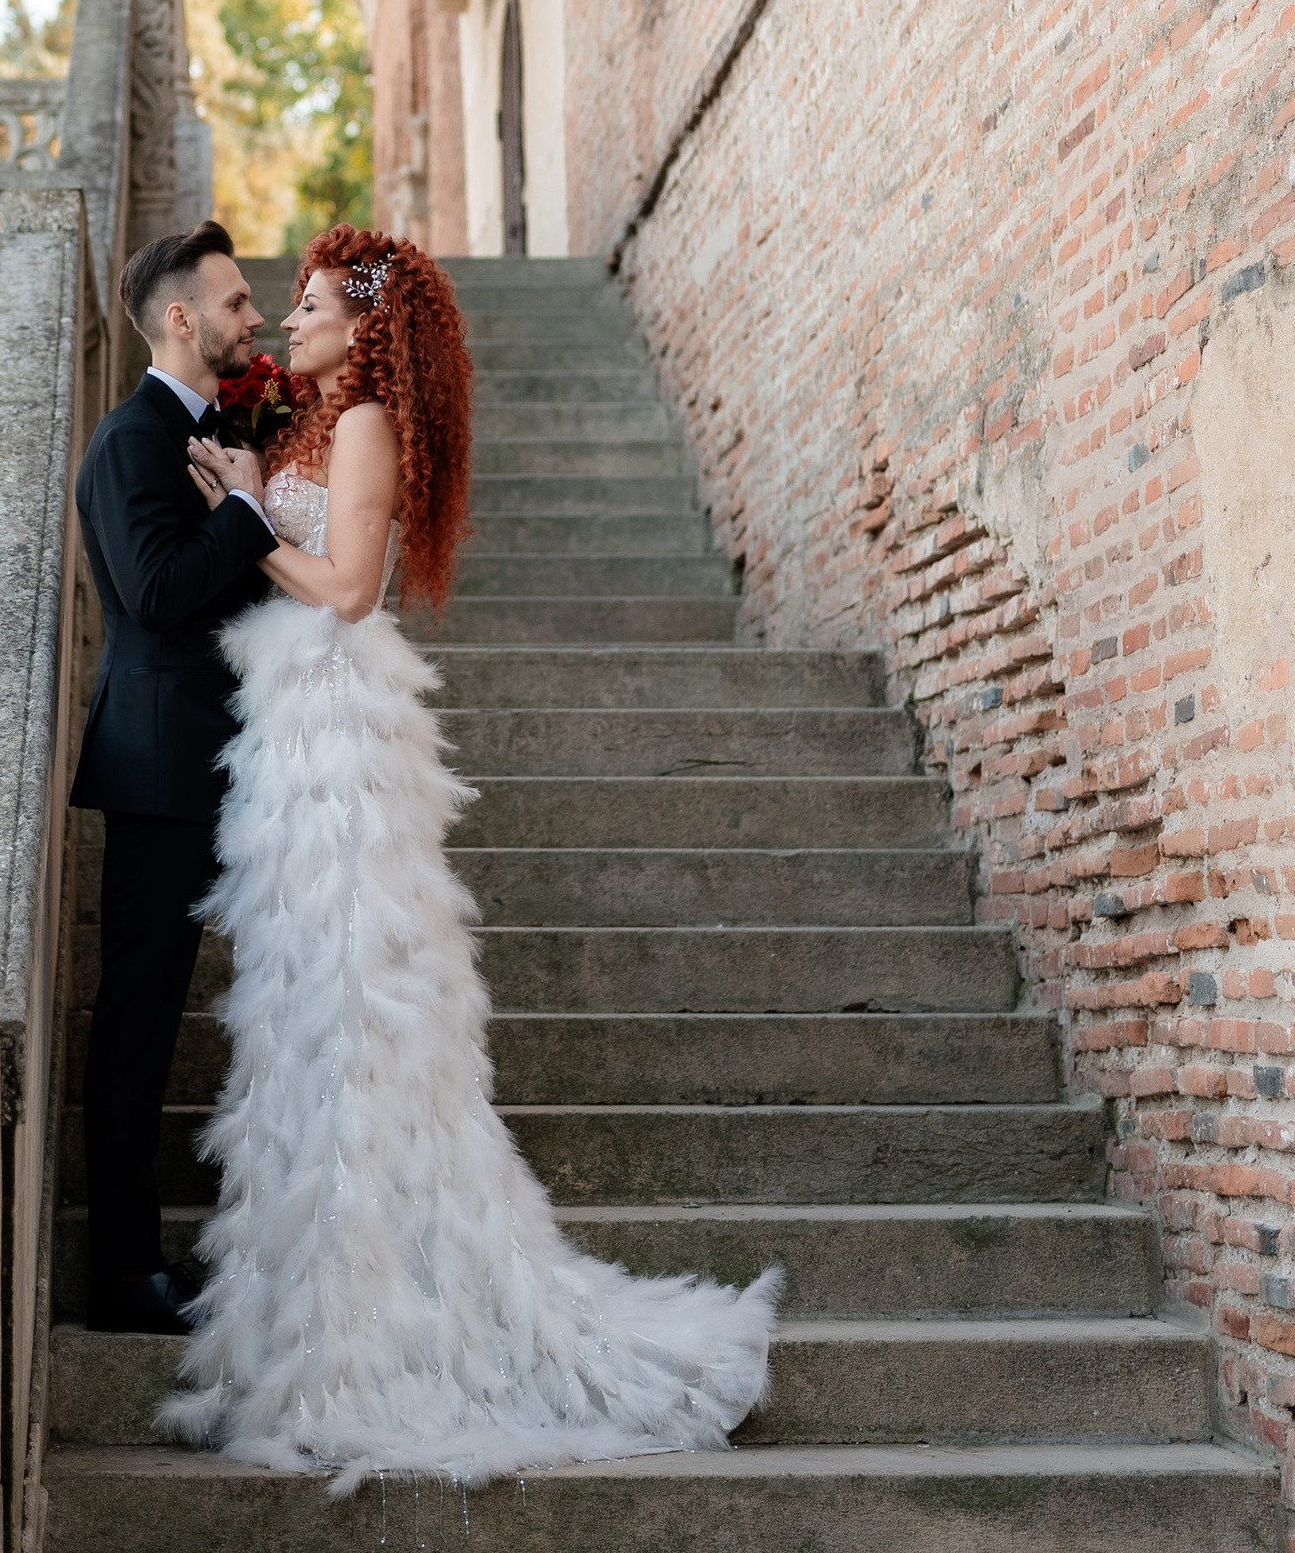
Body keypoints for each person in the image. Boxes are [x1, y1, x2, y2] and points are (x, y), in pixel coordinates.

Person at [168, 224, 781, 1486]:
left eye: (317, 303)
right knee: (299, 1009)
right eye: (291, 302)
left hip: (340, 723)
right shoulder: (311, 418)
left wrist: (237, 512)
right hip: (284, 725)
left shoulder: (366, 428)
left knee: (355, 999)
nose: (292, 319)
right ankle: (300, 1301)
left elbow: (345, 587)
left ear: (371, 326)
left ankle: (376, 1324)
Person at [72, 219, 280, 1337]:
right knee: (140, 1020)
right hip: (160, 775)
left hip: (242, 762)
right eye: (238, 301)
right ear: (181, 319)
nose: (257, 317)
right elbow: (155, 596)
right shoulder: (126, 442)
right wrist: (244, 514)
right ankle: (121, 1271)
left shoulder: (226, 432)